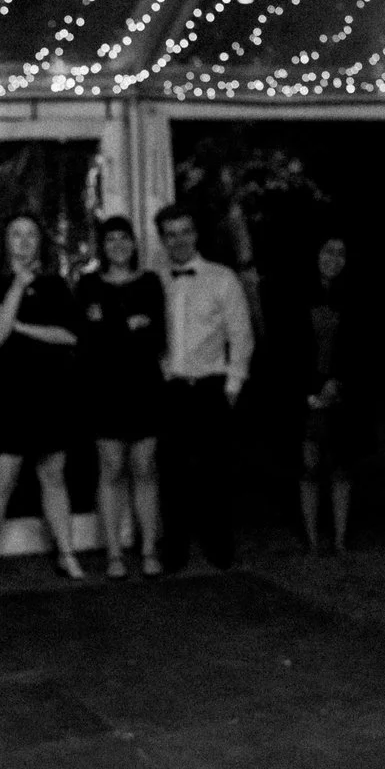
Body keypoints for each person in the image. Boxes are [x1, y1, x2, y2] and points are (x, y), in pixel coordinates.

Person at [0, 214, 82, 590]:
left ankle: (67, 554)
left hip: (49, 393)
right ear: (5, 241)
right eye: (15, 234)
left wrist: (21, 327)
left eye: (31, 234)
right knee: (0, 481)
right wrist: (17, 287)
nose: (23, 241)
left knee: (53, 476)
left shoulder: (55, 286)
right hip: (6, 395)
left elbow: (69, 336)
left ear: (40, 241)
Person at [155, 202, 254, 571]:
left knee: (216, 472)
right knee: (173, 474)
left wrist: (232, 386)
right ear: (162, 239)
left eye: (185, 231)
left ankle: (220, 549)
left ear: (196, 234)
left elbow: (241, 335)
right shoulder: (157, 279)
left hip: (211, 387)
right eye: (171, 234)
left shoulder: (222, 278)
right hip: (173, 390)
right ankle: (174, 552)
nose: (178, 240)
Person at [76, 215, 166, 579]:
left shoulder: (150, 282)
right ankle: (114, 552)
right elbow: (86, 341)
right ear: (103, 245)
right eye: (110, 239)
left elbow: (157, 337)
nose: (117, 244)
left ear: (133, 243)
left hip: (143, 385)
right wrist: (128, 326)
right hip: (104, 388)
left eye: (124, 238)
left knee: (144, 468)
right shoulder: (87, 284)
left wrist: (108, 325)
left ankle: (147, 549)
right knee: (111, 469)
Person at [296, 234, 362, 555]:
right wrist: (309, 390)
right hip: (307, 391)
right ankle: (311, 538)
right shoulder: (297, 294)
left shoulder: (355, 296)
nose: (333, 259)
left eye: (340, 253)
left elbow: (360, 346)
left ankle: (339, 537)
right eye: (327, 251)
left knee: (340, 465)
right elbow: (289, 346)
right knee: (309, 464)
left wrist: (338, 382)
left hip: (340, 392)